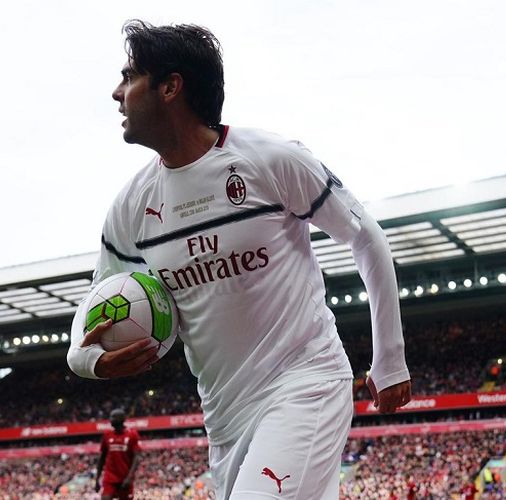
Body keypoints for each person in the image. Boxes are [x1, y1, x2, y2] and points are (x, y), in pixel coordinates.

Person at [68, 20, 412, 499]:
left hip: (305, 383)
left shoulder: (270, 159)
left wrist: (390, 359)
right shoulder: (130, 208)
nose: (116, 93)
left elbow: (365, 235)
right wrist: (91, 362)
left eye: (130, 77)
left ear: (171, 86)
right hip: (225, 419)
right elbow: (92, 311)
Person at [95, 408, 141, 500]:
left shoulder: (132, 435)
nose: (110, 419)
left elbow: (137, 458)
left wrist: (129, 477)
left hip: (125, 477)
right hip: (110, 477)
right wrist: (97, 478)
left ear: (122, 419)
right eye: (110, 417)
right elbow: (102, 457)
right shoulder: (107, 435)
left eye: (113, 417)